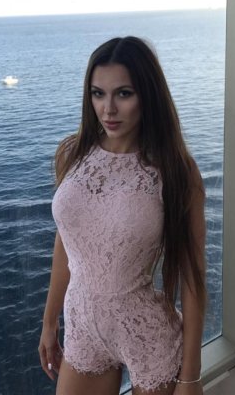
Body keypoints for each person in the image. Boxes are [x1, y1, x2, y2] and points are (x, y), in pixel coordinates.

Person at [38, 36, 206, 395]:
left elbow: (192, 277)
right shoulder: (73, 153)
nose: (108, 109)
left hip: (145, 336)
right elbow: (66, 242)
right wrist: (50, 321)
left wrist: (190, 377)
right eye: (98, 94)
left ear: (148, 95)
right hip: (82, 330)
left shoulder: (176, 171)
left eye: (124, 94)